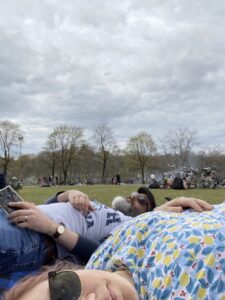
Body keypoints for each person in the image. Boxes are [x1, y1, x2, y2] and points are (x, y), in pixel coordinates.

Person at [4, 198, 222, 300]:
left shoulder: (107, 253)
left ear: (63, 269)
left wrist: (156, 216)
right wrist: (53, 228)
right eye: (134, 199)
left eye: (63, 291)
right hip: (36, 235)